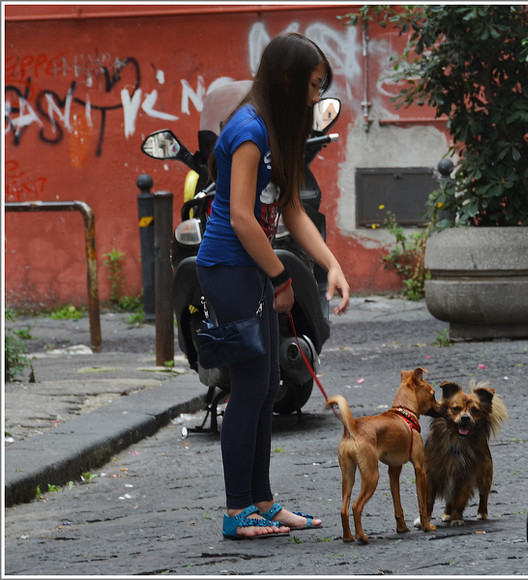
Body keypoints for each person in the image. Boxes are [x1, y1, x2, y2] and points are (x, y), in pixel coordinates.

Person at [196, 32, 350, 540]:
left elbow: (290, 211)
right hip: (227, 267)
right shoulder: (247, 131)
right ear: (286, 81)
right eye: (312, 85)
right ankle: (236, 511)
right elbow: (241, 218)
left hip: (254, 268)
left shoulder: (276, 131)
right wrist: (282, 276)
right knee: (249, 387)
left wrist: (332, 265)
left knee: (263, 388)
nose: (315, 97)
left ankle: (260, 501)